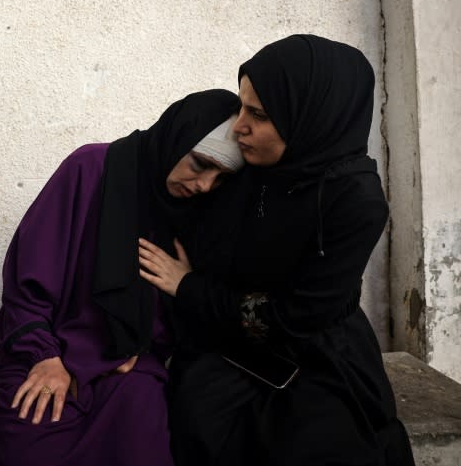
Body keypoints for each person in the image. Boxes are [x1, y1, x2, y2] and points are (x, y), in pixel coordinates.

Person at [139, 35, 415, 465]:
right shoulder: (252, 167)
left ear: (310, 119)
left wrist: (191, 287)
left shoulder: (354, 202)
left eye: (259, 115)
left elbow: (292, 317)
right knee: (198, 418)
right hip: (223, 345)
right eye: (242, 107)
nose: (238, 127)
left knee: (317, 444)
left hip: (314, 357)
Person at [0, 89, 244, 466]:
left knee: (141, 436)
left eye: (221, 178)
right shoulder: (90, 169)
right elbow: (26, 286)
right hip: (48, 357)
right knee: (30, 436)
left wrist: (186, 287)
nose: (204, 185)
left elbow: (179, 324)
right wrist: (44, 355)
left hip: (131, 368)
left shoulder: (198, 211)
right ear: (176, 139)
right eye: (201, 164)